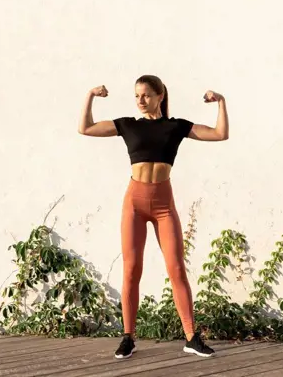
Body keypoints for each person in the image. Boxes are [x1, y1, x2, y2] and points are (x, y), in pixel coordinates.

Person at [78, 74, 229, 359]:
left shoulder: (175, 127)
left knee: (176, 268)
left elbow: (220, 134)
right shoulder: (127, 125)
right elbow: (84, 127)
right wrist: (90, 95)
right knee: (132, 270)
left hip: (163, 204)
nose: (140, 101)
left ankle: (191, 337)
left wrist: (221, 102)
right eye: (137, 96)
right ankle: (128, 337)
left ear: (160, 96)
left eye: (146, 95)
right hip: (134, 203)